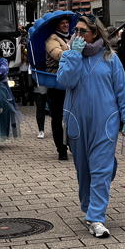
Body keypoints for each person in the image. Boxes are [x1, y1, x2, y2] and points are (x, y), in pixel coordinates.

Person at [58, 16, 125, 238]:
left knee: (101, 170)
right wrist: (73, 54)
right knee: (84, 170)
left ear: (95, 33)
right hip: (77, 121)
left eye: (83, 31)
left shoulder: (110, 57)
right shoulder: (69, 55)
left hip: (106, 121)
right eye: (76, 30)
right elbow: (65, 81)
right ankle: (88, 206)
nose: (78, 34)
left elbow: (122, 90)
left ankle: (96, 217)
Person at [45, 16, 72, 161]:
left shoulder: (72, 37)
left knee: (73, 116)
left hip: (70, 83)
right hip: (56, 83)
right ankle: (61, 149)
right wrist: (72, 52)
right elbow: (57, 54)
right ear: (57, 25)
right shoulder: (52, 39)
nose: (66, 25)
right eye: (62, 23)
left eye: (67, 23)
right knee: (57, 118)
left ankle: (72, 144)